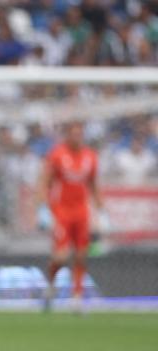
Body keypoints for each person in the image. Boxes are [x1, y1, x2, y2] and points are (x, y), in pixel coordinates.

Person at [37, 122, 103, 312]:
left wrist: (101, 210)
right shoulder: (57, 155)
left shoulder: (90, 156)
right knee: (61, 255)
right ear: (67, 135)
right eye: (73, 134)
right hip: (61, 211)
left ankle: (77, 296)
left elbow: (93, 184)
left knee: (81, 255)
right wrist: (43, 208)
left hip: (81, 211)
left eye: (79, 134)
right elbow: (45, 181)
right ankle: (51, 284)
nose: (77, 137)